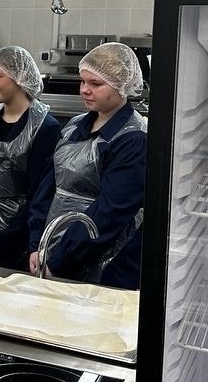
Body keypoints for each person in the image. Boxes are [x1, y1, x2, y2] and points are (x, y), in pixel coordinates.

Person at [28, 41, 147, 289]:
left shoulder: (133, 138)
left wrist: (59, 260)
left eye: (95, 84)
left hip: (105, 262)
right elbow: (48, 187)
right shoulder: (75, 126)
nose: (84, 90)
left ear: (121, 85)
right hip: (52, 250)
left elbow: (109, 213)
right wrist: (37, 243)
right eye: (82, 81)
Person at [0, 45, 62, 271]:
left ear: (20, 77)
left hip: (20, 245)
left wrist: (0, 246)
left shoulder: (45, 128)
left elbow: (39, 196)